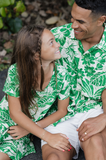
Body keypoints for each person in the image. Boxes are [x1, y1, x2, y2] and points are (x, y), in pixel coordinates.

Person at [47, 0, 106, 159]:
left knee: (97, 149)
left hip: (93, 112)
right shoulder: (55, 38)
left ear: (101, 20)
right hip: (57, 113)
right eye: (72, 18)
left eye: (81, 22)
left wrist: (104, 118)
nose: (73, 25)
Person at [0, 25, 72, 160]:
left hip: (23, 131)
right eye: (51, 42)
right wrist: (47, 136)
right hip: (4, 119)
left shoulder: (62, 75)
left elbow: (62, 111)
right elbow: (14, 112)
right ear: (36, 55)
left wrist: (30, 129)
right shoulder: (17, 72)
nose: (58, 44)